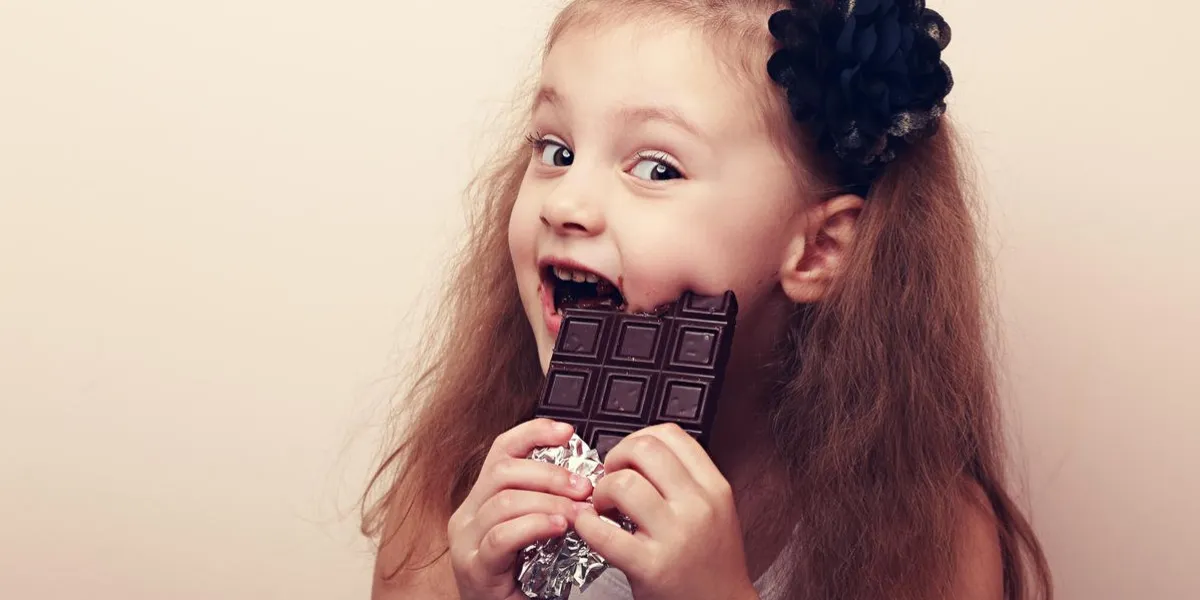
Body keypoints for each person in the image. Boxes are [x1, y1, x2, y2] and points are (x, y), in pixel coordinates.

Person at [362, 0, 1053, 598]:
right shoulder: (451, 505)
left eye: (657, 167)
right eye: (556, 149)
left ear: (817, 249)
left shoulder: (924, 533)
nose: (565, 201)